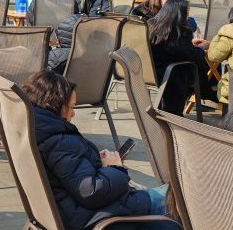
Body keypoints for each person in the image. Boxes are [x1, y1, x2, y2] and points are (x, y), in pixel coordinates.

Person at [23, 71, 175, 230]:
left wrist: (98, 163)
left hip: (81, 214)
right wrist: (115, 168)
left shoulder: (35, 132)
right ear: (54, 105)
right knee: (178, 198)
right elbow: (91, 192)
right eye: (71, 107)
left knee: (170, 195)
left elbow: (73, 176)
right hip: (103, 216)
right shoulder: (58, 142)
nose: (73, 114)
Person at [148, 0, 216, 115]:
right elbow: (189, 55)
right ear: (180, 14)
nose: (188, 15)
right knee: (202, 61)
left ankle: (207, 91)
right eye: (187, 12)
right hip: (171, 74)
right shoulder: (179, 30)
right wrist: (201, 47)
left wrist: (190, 45)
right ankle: (208, 92)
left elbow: (174, 49)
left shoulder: (150, 25)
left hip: (149, 72)